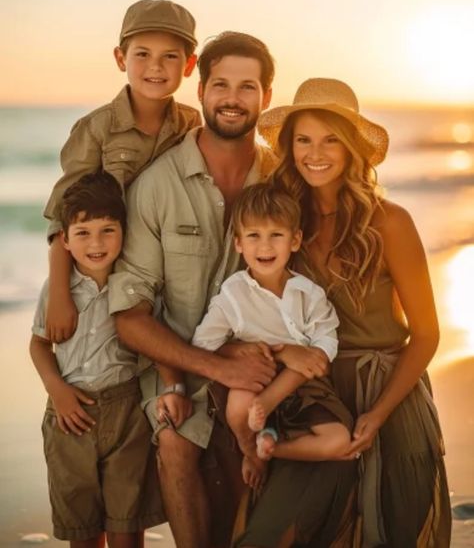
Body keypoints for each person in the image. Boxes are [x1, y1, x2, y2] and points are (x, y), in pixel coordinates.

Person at [109, 33, 355, 548]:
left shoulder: (285, 180)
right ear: (200, 89)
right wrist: (215, 365)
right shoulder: (158, 184)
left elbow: (324, 249)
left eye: (248, 87)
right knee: (177, 440)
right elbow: (130, 314)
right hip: (183, 361)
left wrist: (287, 352)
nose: (232, 97)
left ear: (266, 97)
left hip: (276, 362)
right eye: (220, 84)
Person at [246, 77, 452, 547]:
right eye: (303, 140)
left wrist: (378, 414)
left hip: (391, 395)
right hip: (313, 396)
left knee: (393, 533)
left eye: (330, 139)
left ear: (352, 147)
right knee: (274, 533)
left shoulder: (390, 221)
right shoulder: (282, 221)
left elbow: (425, 334)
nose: (315, 152)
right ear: (289, 147)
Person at [43, 0, 201, 344]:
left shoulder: (190, 123)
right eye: (142, 54)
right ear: (120, 58)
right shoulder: (97, 129)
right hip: (102, 276)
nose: (155, 67)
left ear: (189, 65)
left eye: (170, 56)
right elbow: (63, 216)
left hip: (161, 276)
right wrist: (59, 294)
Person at [30, 171, 163, 548]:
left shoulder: (135, 284)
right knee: (82, 528)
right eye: (83, 233)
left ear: (124, 231)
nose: (97, 243)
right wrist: (58, 391)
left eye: (108, 230)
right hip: (69, 415)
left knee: (127, 523)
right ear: (65, 241)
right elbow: (39, 345)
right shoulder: (58, 290)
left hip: (126, 413)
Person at [192, 182, 353, 493]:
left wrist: (317, 354)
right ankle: (250, 451)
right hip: (258, 381)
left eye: (275, 235)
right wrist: (253, 350)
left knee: (339, 441)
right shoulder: (233, 295)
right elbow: (204, 345)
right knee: (239, 405)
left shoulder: (308, 292)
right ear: (238, 243)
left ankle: (270, 448)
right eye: (254, 236)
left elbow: (325, 337)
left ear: (294, 240)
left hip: (304, 386)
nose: (265, 247)